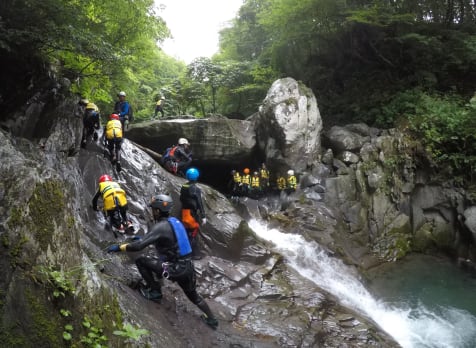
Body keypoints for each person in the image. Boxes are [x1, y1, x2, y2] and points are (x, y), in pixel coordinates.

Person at [106, 194, 218, 329]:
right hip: (188, 267)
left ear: (158, 211)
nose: (152, 211)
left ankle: (155, 293)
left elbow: (139, 247)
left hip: (174, 268)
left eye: (153, 209)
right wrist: (143, 238)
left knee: (141, 260)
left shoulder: (160, 226)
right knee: (194, 296)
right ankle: (212, 320)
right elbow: (166, 240)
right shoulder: (175, 222)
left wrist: (119, 247)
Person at [180, 168, 206, 259]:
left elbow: (181, 199)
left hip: (184, 212)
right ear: (197, 177)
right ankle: (193, 254)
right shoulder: (196, 189)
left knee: (186, 233)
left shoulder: (184, 186)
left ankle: (184, 253)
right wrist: (203, 216)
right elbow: (199, 202)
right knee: (193, 234)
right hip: (192, 213)